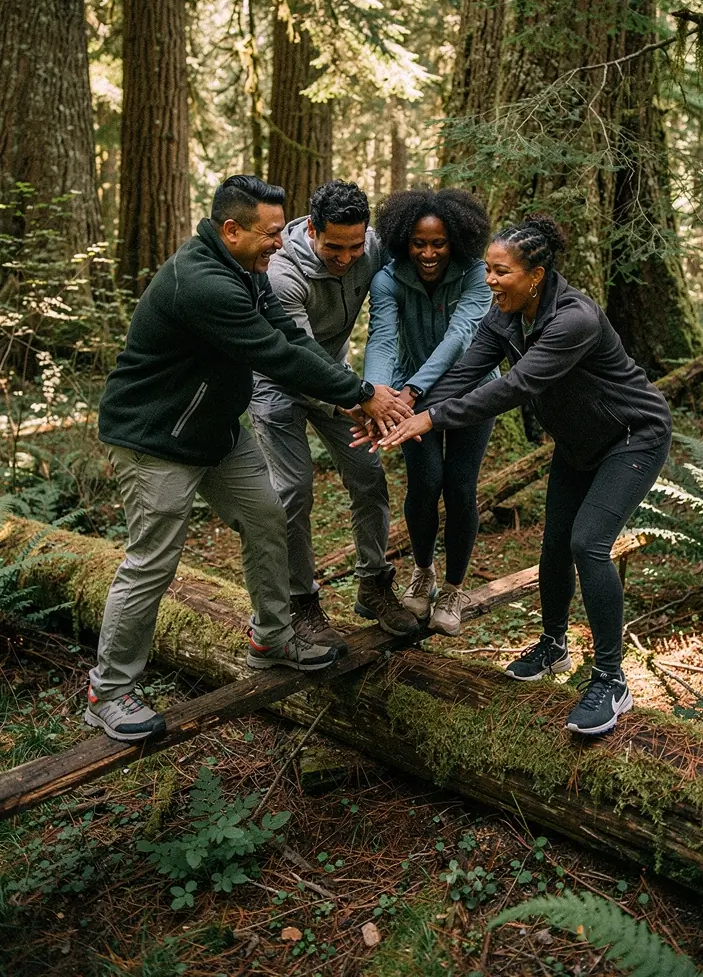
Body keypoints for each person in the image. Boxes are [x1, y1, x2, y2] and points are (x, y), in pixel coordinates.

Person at [86, 175, 409, 742]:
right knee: (152, 563)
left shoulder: (245, 269)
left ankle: (273, 635)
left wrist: (352, 391)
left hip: (214, 432)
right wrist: (361, 395)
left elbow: (291, 335)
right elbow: (275, 354)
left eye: (282, 232)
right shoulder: (204, 282)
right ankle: (109, 691)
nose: (279, 244)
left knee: (270, 517)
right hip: (155, 439)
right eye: (269, 234)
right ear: (230, 230)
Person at [374, 214, 672, 736]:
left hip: (633, 437)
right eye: (487, 270)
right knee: (554, 543)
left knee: (588, 543)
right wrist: (406, 408)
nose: (489, 280)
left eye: (500, 272)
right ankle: (553, 646)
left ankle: (610, 679)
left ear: (535, 275)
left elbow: (513, 386)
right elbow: (468, 373)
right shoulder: (505, 315)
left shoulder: (574, 318)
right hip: (580, 445)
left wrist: (429, 418)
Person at [250, 180, 418, 642]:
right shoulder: (283, 274)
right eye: (333, 248)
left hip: (341, 380)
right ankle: (300, 603)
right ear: (312, 232)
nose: (345, 258)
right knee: (295, 491)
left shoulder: (371, 247)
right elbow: (300, 354)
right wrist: (360, 398)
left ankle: (374, 586)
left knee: (368, 477)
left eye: (354, 246)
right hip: (278, 382)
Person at [363, 188, 495, 636]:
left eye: (438, 243)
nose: (428, 252)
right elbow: (382, 338)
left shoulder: (478, 275)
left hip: (470, 394)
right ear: (404, 240)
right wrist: (377, 393)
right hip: (407, 396)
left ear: (455, 240)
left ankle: (455, 587)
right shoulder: (388, 278)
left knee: (459, 488)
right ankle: (423, 572)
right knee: (424, 483)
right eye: (419, 242)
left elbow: (461, 336)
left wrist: (415, 390)